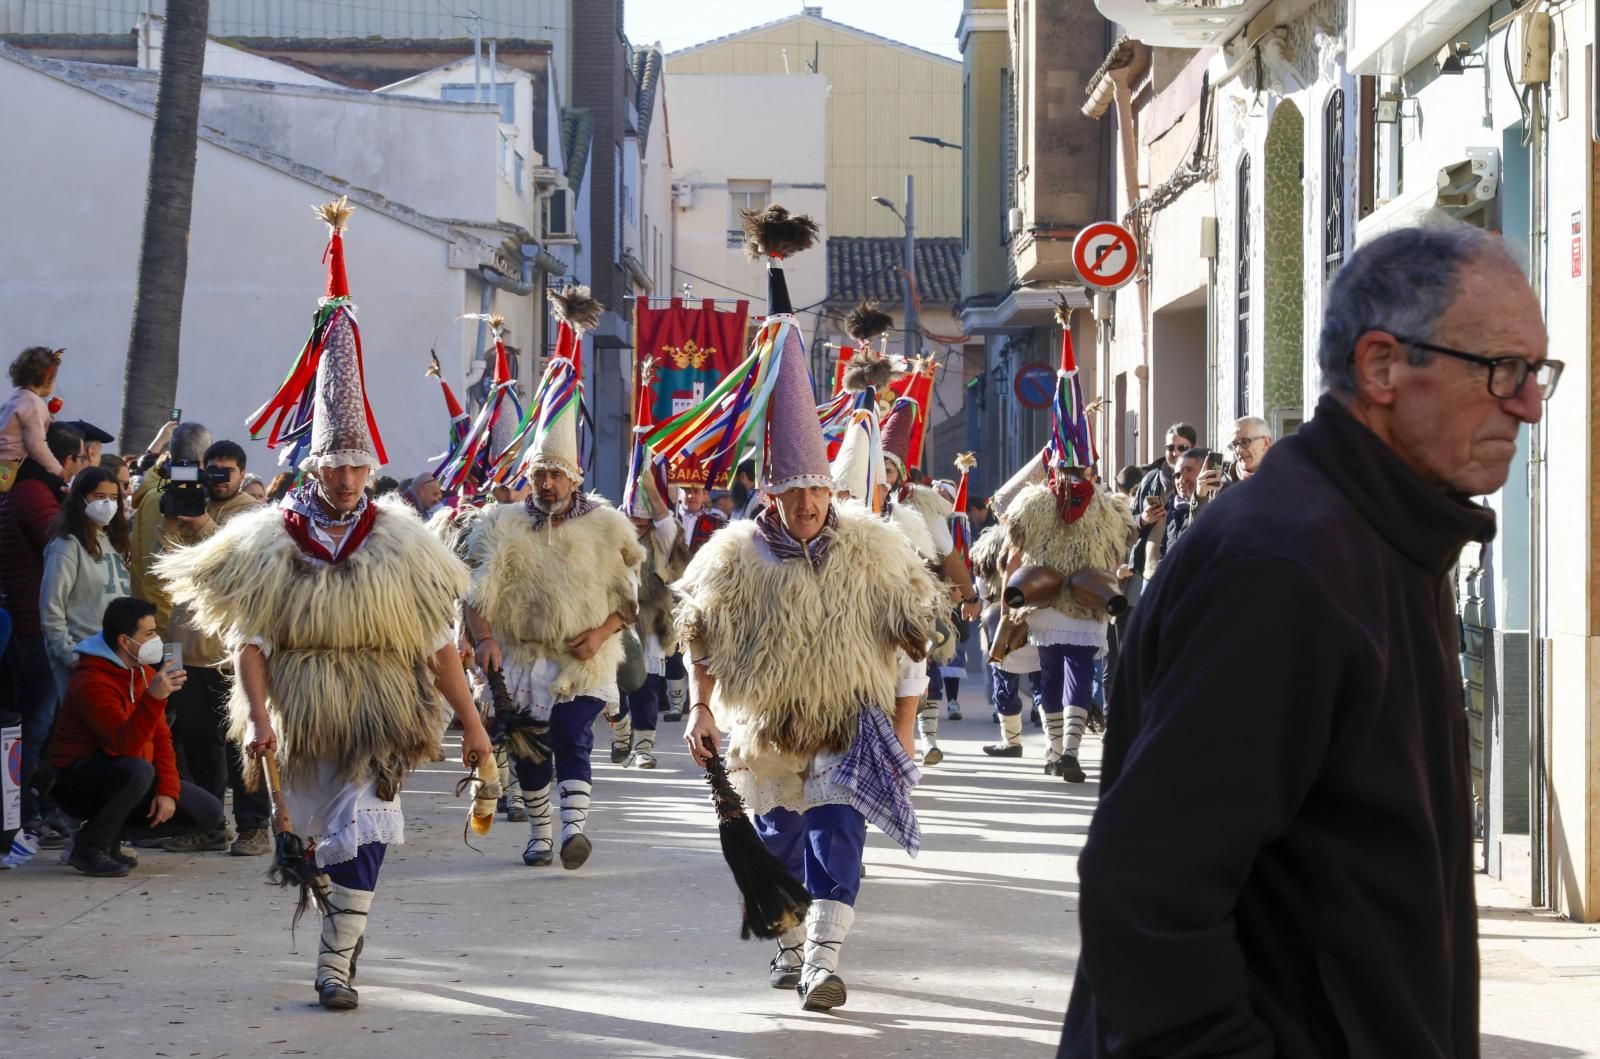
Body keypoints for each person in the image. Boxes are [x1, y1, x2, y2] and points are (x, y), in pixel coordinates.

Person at [1061, 221, 1557, 1055]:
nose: (1530, 402)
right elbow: (1146, 897)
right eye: (1502, 370)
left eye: (1536, 372)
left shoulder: (1383, 539)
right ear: (1382, 366)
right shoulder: (1287, 565)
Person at [158, 197, 493, 1011]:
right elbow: (252, 642)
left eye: (355, 465)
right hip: (303, 711)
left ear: (368, 465)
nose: (345, 478)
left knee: (371, 830)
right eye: (333, 465)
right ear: (312, 467)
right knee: (321, 837)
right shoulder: (273, 538)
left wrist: (479, 734)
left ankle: (336, 962)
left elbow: (439, 645)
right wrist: (260, 716)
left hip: (381, 707)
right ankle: (337, 922)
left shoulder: (406, 542)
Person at [678, 207, 941, 1012]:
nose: (807, 503)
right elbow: (700, 630)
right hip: (766, 726)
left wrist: (902, 729)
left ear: (832, 487)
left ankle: (824, 960)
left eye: (818, 490)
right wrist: (698, 705)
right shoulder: (732, 554)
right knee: (778, 837)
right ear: (771, 490)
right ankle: (790, 947)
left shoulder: (873, 547)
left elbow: (911, 641)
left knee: (839, 833)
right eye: (793, 491)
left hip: (851, 719)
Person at [464, 285, 643, 872]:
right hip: (521, 658)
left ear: (574, 477)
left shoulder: (606, 524)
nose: (546, 484)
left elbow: (630, 601)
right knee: (530, 750)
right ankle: (541, 836)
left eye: (556, 475)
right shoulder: (502, 523)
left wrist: (601, 634)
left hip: (583, 661)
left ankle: (574, 831)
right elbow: (478, 592)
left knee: (570, 734)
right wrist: (485, 638)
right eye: (539, 474)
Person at [46, 596, 225, 878]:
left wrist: (167, 791)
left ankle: (109, 837)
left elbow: (162, 740)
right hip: (77, 782)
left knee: (208, 812)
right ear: (125, 641)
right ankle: (89, 845)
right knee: (137, 769)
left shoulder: (143, 673)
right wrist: (153, 699)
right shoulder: (92, 681)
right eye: (149, 633)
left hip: (124, 773)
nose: (156, 640)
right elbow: (124, 746)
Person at [151, 439, 267, 856]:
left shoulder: (250, 514)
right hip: (188, 647)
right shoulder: (191, 507)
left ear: (242, 474)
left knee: (242, 744)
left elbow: (232, 565)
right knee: (198, 743)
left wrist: (200, 522)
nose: (218, 480)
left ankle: (255, 826)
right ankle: (208, 824)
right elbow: (163, 565)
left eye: (227, 472)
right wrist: (171, 518)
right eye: (211, 471)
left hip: (232, 652)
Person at [0, 421, 87, 845]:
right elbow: (62, 541)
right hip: (36, 626)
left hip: (32, 621)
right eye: (82, 460)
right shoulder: (36, 495)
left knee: (44, 725)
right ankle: (29, 811)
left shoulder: (32, 490)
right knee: (37, 726)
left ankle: (39, 806)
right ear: (64, 460)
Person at [616, 462, 691, 770]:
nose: (634, 522)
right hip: (612, 620)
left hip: (649, 619)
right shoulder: (612, 533)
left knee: (645, 684)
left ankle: (643, 745)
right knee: (611, 686)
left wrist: (649, 485)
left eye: (640, 517)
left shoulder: (661, 536)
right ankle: (621, 733)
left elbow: (666, 524)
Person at [40, 466, 133, 698]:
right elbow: (51, 607)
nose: (107, 504)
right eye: (99, 497)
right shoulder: (67, 546)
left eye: (113, 498)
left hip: (116, 655)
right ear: (81, 498)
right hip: (83, 657)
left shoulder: (115, 542)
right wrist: (70, 655)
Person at [129, 421, 210, 605]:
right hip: (161, 620)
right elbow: (158, 571)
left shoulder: (153, 493)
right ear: (204, 458)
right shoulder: (166, 498)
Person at [0, 346, 65, 481]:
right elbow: (36, 444)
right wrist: (59, 471)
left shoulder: (18, 397)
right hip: (13, 467)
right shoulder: (34, 404)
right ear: (47, 379)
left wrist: (50, 414)